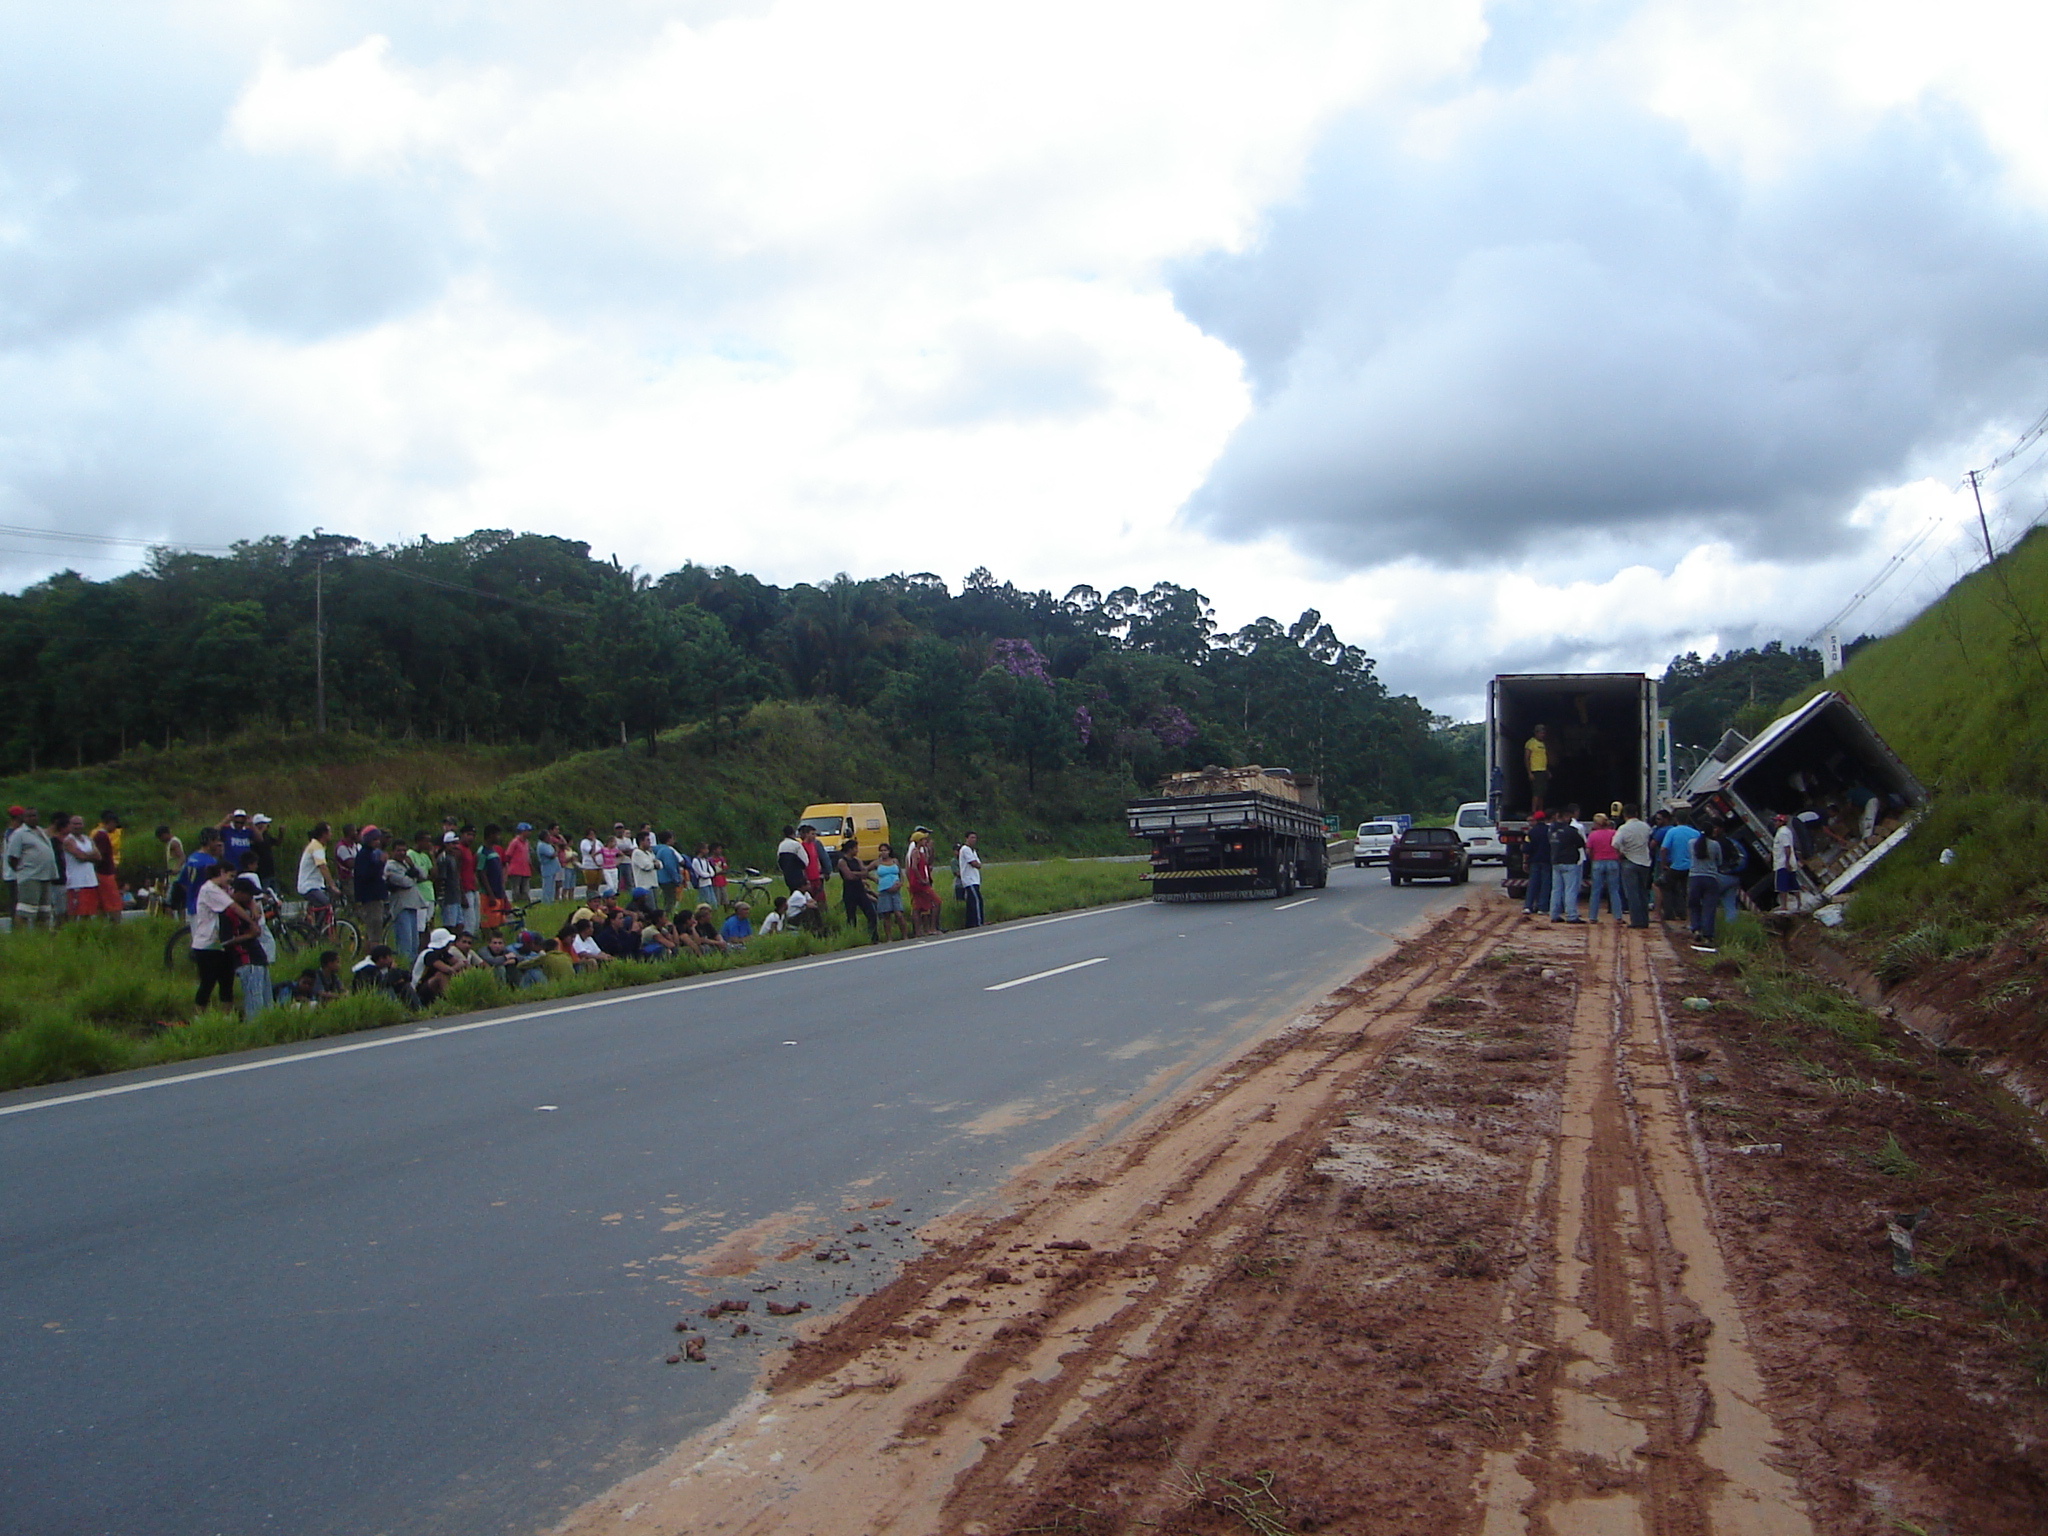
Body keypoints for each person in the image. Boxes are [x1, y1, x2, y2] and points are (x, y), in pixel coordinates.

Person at [223, 876, 271, 1021]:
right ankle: (255, 1030)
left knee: (267, 1003)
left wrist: (252, 907)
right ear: (239, 893)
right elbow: (225, 941)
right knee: (255, 1004)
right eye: (249, 894)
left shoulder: (245, 907)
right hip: (246, 960)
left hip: (259, 959)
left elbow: (252, 903)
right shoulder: (227, 912)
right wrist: (249, 935)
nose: (251, 898)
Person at [6, 807, 58, 930]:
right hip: (30, 876)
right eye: (29, 816)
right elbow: (12, 858)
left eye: (34, 815)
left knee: (44, 911)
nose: (32, 818)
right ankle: (20, 936)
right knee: (26, 910)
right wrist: (23, 871)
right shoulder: (19, 834)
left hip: (45, 876)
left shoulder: (40, 831)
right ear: (24, 818)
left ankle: (41, 936)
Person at [384, 836, 428, 961]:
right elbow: (405, 882)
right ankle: (404, 970)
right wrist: (412, 876)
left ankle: (413, 973)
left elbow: (424, 875)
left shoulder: (406, 864)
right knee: (405, 944)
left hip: (413, 905)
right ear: (392, 852)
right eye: (398, 850)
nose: (402, 853)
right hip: (401, 906)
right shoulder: (391, 866)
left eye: (404, 850)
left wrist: (412, 867)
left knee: (415, 943)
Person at [1687, 819, 1726, 952]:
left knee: (1694, 905)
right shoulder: (1715, 845)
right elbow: (1719, 862)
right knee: (1709, 907)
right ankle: (1708, 936)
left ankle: (1696, 929)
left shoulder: (1691, 843)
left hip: (1694, 878)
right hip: (1710, 879)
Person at [1614, 804, 1654, 930]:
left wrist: (1621, 851)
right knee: (1643, 892)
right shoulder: (1645, 826)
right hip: (1645, 862)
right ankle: (1645, 920)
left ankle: (1636, 921)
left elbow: (1615, 843)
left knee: (1632, 893)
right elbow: (1649, 838)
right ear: (1636, 813)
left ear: (1624, 815)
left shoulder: (1624, 828)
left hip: (1629, 861)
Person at [1659, 815, 1702, 925]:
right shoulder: (1696, 833)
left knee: (1666, 887)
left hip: (1676, 866)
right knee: (1685, 890)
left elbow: (1663, 848)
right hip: (1691, 867)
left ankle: (1669, 913)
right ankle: (1683, 913)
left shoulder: (1672, 831)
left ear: (1676, 820)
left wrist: (1663, 863)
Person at [60, 814, 103, 922]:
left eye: (79, 823)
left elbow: (98, 856)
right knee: (75, 913)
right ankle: (73, 934)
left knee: (88, 913)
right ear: (69, 825)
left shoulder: (87, 839)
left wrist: (86, 855)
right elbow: (80, 856)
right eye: (74, 824)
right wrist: (90, 855)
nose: (77, 826)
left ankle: (85, 934)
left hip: (90, 882)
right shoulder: (68, 840)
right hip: (76, 882)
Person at [352, 827, 389, 946]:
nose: (377, 842)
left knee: (375, 928)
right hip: (370, 896)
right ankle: (374, 954)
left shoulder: (373, 853)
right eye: (374, 839)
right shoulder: (364, 855)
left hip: (376, 894)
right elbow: (365, 874)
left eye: (378, 839)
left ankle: (371, 951)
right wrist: (380, 863)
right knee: (374, 928)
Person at [837, 838, 879, 941]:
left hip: (860, 890)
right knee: (851, 916)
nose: (857, 850)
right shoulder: (842, 861)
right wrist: (860, 874)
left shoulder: (857, 860)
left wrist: (859, 874)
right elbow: (848, 876)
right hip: (849, 891)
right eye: (855, 848)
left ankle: (873, 936)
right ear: (850, 849)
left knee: (871, 913)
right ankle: (852, 937)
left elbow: (864, 872)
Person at [1547, 813, 1586, 923]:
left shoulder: (1551, 831)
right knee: (1570, 890)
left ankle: (1554, 914)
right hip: (1569, 862)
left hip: (1555, 861)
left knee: (1556, 890)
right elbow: (1581, 843)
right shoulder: (1570, 831)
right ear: (1565, 818)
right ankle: (1571, 915)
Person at [1585, 814, 1622, 924]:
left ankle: (1592, 916)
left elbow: (1588, 851)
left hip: (1598, 862)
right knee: (1614, 890)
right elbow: (1619, 847)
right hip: (1612, 862)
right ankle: (1617, 916)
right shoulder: (1614, 833)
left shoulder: (1593, 835)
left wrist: (1593, 859)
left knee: (1596, 890)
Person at [351, 944, 416, 1005]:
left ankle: (417, 1009)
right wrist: (393, 971)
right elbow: (380, 983)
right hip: (367, 999)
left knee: (403, 985)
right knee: (387, 989)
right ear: (381, 959)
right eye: (389, 957)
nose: (392, 959)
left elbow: (407, 976)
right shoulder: (366, 969)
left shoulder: (382, 967)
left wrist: (395, 972)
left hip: (376, 995)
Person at [906, 826, 940, 938]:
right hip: (919, 884)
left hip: (916, 883)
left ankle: (918, 931)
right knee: (936, 902)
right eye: (924, 840)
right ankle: (932, 927)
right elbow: (914, 867)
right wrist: (921, 879)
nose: (926, 841)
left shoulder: (919, 851)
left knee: (917, 906)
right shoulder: (915, 852)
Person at [412, 928, 462, 1002]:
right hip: (419, 987)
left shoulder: (443, 953)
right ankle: (450, 1000)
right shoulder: (429, 954)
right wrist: (456, 968)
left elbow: (460, 962)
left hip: (430, 985)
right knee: (441, 975)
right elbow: (446, 970)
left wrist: (458, 967)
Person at [873, 842, 910, 941]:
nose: (883, 852)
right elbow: (865, 870)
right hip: (884, 891)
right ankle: (889, 938)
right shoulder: (877, 863)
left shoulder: (894, 861)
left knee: (898, 914)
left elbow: (901, 874)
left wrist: (901, 883)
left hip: (895, 890)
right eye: (881, 851)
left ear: (889, 851)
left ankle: (905, 935)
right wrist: (874, 879)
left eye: (885, 850)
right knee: (886, 915)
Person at [479, 826, 510, 934]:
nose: (498, 837)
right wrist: (490, 894)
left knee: (497, 920)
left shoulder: (494, 850)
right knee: (488, 922)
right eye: (497, 834)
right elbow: (481, 873)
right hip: (489, 894)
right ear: (490, 835)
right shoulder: (483, 852)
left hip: (498, 891)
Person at [1521, 811, 1551, 917]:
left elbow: (1526, 849)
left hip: (1534, 861)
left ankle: (1528, 906)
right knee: (1545, 884)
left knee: (1533, 884)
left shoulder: (1531, 832)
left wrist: (1525, 862)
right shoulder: (1549, 831)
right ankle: (1542, 907)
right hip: (1547, 861)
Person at [94, 811, 124, 917]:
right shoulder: (102, 836)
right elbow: (99, 856)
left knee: (102, 904)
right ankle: (115, 927)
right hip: (105, 874)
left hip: (103, 873)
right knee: (114, 904)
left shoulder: (99, 835)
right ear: (110, 822)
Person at [298, 822, 335, 906]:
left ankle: (319, 918)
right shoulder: (316, 847)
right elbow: (322, 867)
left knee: (322, 906)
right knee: (326, 903)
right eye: (329, 832)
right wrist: (332, 885)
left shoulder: (317, 845)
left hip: (316, 885)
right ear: (324, 834)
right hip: (309, 886)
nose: (331, 834)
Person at [1772, 813, 1801, 913]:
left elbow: (1787, 848)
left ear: (1781, 822)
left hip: (1782, 864)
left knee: (1782, 886)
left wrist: (1787, 862)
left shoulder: (1783, 833)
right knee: (1793, 884)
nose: (1774, 823)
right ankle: (1799, 903)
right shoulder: (1784, 831)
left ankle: (1784, 906)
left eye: (1776, 821)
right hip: (1787, 862)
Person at [455, 826, 482, 933]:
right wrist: (461, 894)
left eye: (473, 835)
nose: (471, 838)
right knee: (469, 920)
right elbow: (457, 873)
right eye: (468, 834)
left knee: (476, 919)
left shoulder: (468, 850)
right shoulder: (459, 850)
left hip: (472, 888)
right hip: (464, 889)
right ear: (462, 835)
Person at [956, 831, 984, 928]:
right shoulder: (965, 849)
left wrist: (978, 864)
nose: (974, 840)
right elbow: (974, 863)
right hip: (969, 880)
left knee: (973, 900)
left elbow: (978, 863)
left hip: (975, 879)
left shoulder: (973, 851)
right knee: (976, 900)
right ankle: (978, 921)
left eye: (975, 838)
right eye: (971, 837)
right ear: (966, 838)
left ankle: (971, 922)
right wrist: (977, 864)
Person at [654, 831, 683, 914]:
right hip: (667, 879)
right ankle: (667, 915)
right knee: (670, 900)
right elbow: (669, 865)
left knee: (667, 899)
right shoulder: (667, 851)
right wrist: (676, 878)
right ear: (669, 839)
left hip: (661, 878)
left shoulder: (660, 849)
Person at [220, 809, 257, 873]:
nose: (239, 825)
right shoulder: (226, 829)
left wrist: (251, 824)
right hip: (230, 867)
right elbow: (212, 832)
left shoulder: (247, 830)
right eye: (237, 822)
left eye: (241, 823)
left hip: (244, 868)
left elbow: (260, 839)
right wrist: (225, 820)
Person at [505, 825, 534, 906]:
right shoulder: (515, 842)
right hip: (515, 870)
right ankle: (517, 904)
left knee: (525, 890)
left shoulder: (527, 843)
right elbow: (508, 855)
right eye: (528, 831)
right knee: (516, 890)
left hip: (525, 870)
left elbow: (528, 855)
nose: (529, 833)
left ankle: (525, 904)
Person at [1525, 724, 1550, 814]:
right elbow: (1527, 758)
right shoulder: (1531, 743)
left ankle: (1540, 811)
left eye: (1543, 733)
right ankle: (1534, 811)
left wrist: (1547, 771)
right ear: (1536, 733)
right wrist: (1529, 773)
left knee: (1542, 793)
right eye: (1541, 733)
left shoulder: (1542, 744)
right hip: (1535, 770)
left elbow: (1543, 758)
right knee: (1536, 792)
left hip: (1542, 770)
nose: (1542, 735)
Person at [630, 833, 661, 904]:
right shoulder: (637, 853)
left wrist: (655, 864)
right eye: (648, 840)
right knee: (650, 907)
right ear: (641, 841)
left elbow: (659, 864)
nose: (650, 842)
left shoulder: (649, 853)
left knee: (655, 906)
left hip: (653, 884)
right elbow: (647, 866)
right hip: (644, 886)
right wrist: (654, 864)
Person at [776, 825, 807, 897]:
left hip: (787, 873)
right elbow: (805, 860)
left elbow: (779, 860)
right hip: (797, 872)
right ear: (793, 832)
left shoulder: (781, 845)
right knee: (800, 892)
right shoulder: (796, 844)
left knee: (792, 891)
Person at [536, 822, 562, 904]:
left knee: (552, 886)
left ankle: (550, 900)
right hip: (548, 869)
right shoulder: (542, 845)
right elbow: (552, 855)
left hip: (552, 869)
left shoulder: (547, 844)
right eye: (548, 836)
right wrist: (557, 849)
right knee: (547, 886)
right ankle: (546, 901)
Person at [251, 814, 280, 886]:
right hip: (261, 869)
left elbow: (277, 843)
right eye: (265, 823)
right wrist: (261, 830)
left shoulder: (267, 835)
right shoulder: (253, 836)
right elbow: (259, 841)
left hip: (269, 869)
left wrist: (281, 833)